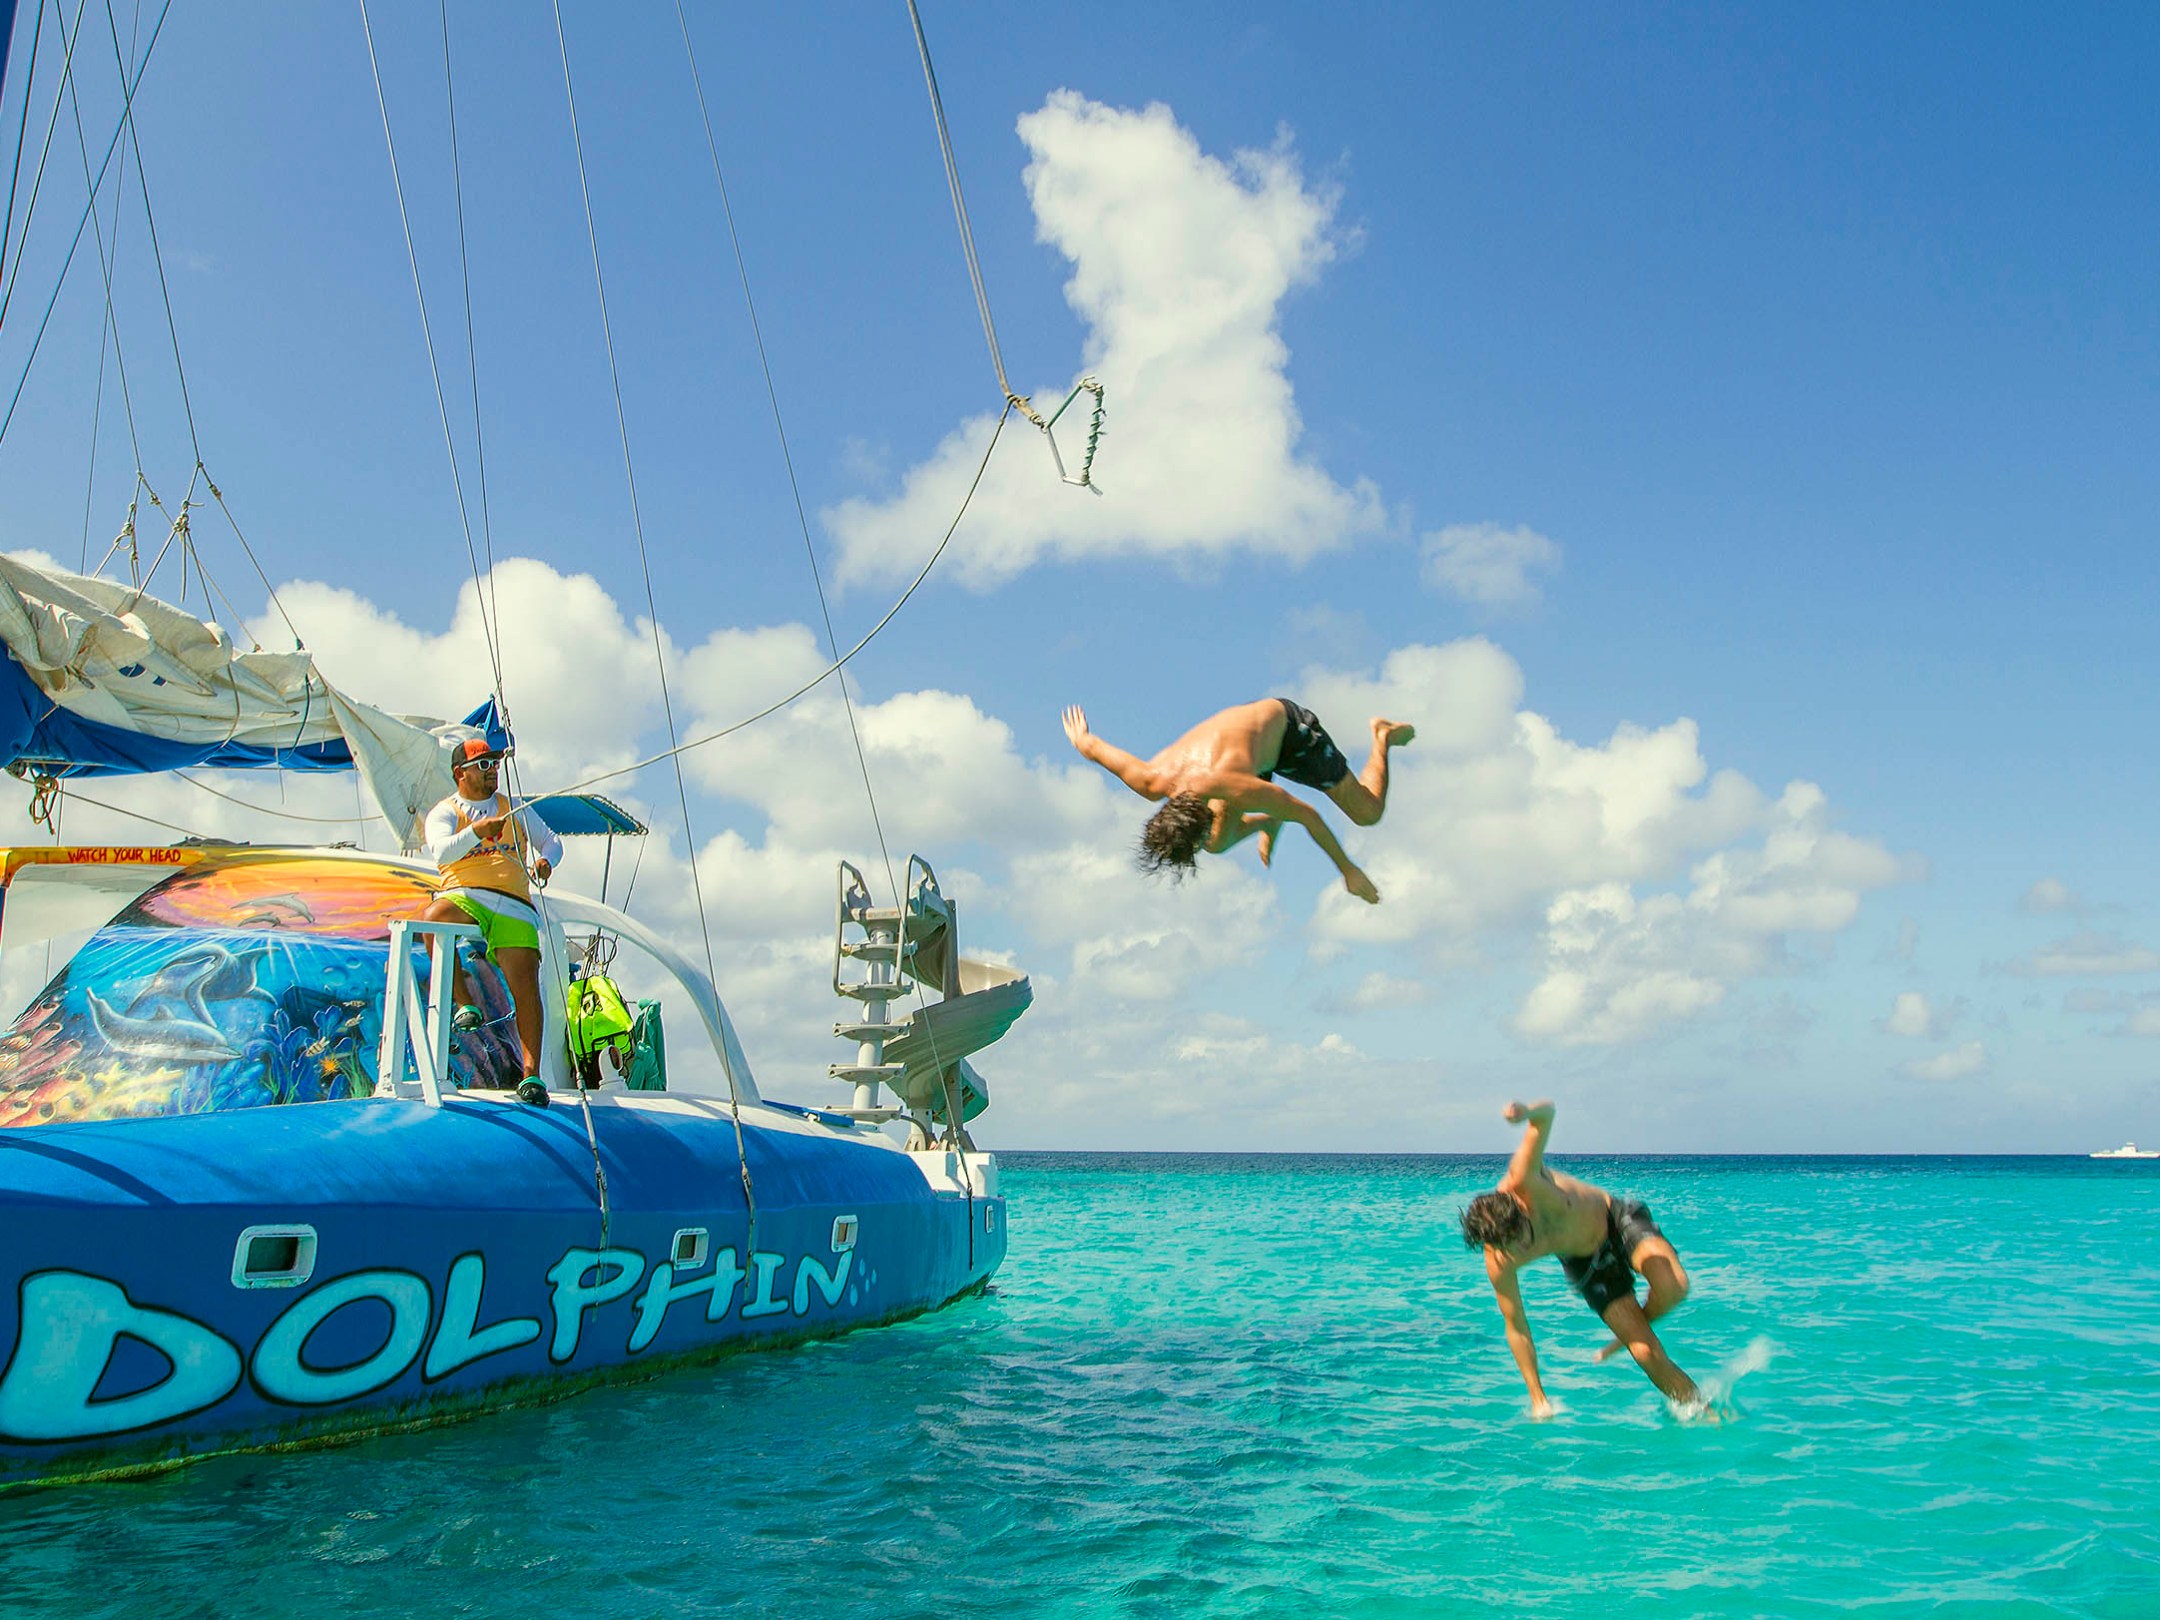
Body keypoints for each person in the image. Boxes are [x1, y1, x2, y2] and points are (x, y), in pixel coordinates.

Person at [1459, 1099, 1706, 1417]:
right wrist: (1538, 1398)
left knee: (1674, 1286)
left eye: (1521, 1238)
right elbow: (1517, 1327)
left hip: (1615, 1221)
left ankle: (1632, 1330)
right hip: (1587, 1265)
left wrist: (1525, 1112)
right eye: (1509, 1247)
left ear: (1522, 1209)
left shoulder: (1524, 1178)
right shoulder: (1500, 1259)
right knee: (1646, 1353)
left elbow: (1546, 1115)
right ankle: (1703, 1412)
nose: (1519, 1250)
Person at [1061, 698, 1413, 903]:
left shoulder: (1236, 786)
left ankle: (1381, 735)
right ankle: (1267, 821)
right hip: (1245, 754)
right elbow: (1094, 750)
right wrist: (1082, 740)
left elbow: (1308, 815)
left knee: (1367, 813)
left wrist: (1347, 870)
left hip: (1289, 733)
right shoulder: (1150, 781)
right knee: (1217, 844)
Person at [417, 738, 563, 1087]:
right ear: (459, 773)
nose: (492, 770)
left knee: (526, 984)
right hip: (466, 896)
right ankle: (465, 1003)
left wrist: (546, 861)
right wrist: (476, 832)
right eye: (483, 765)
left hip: (513, 902)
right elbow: (439, 852)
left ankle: (531, 1075)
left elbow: (552, 841)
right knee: (431, 919)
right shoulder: (446, 811)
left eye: (494, 764)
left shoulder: (513, 808)